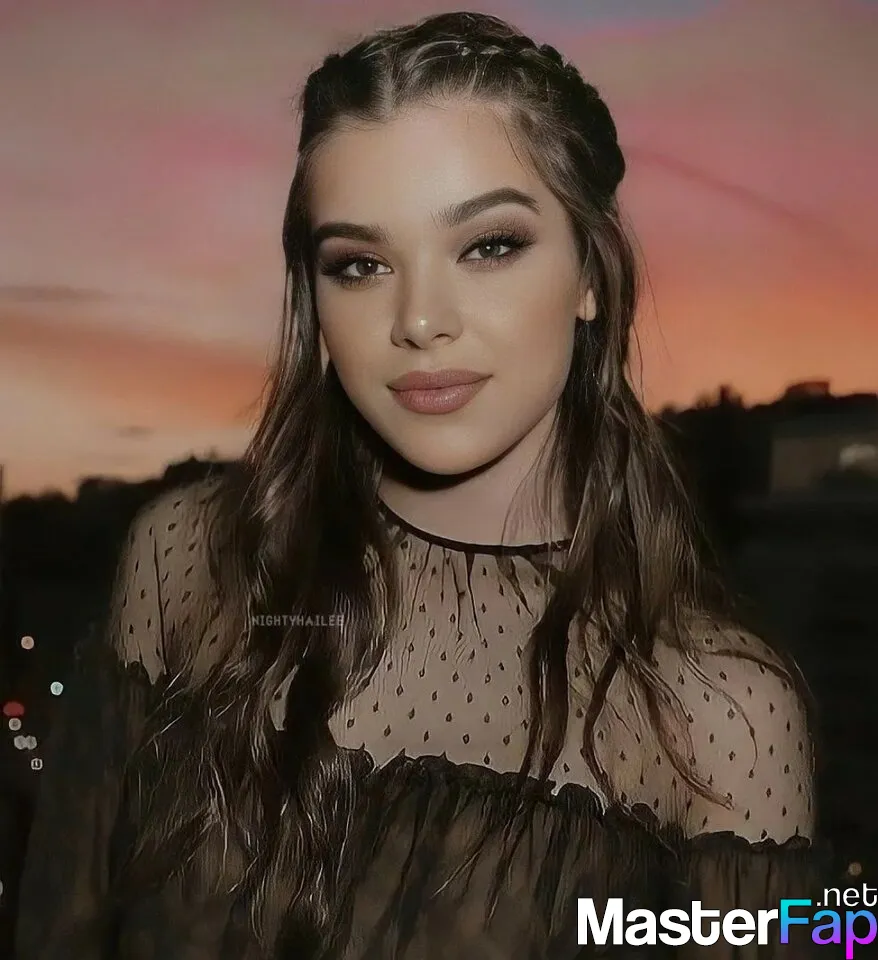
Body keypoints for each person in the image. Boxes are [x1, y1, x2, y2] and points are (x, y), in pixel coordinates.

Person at [16, 11, 829, 958]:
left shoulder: (722, 718)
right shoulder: (187, 559)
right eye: (361, 265)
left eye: (488, 246)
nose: (419, 320)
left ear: (591, 273)